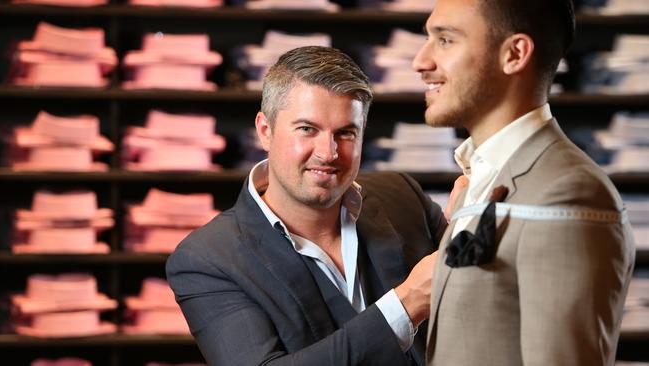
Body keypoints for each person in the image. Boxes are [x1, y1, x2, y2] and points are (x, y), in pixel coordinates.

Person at [166, 46, 447, 366]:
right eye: (307, 129)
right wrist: (407, 304)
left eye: (345, 133)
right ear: (265, 131)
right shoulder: (207, 258)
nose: (328, 152)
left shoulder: (404, 196)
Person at [412, 0, 636, 365]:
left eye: (446, 40)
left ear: (514, 54)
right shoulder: (479, 180)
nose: (420, 61)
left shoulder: (567, 193)